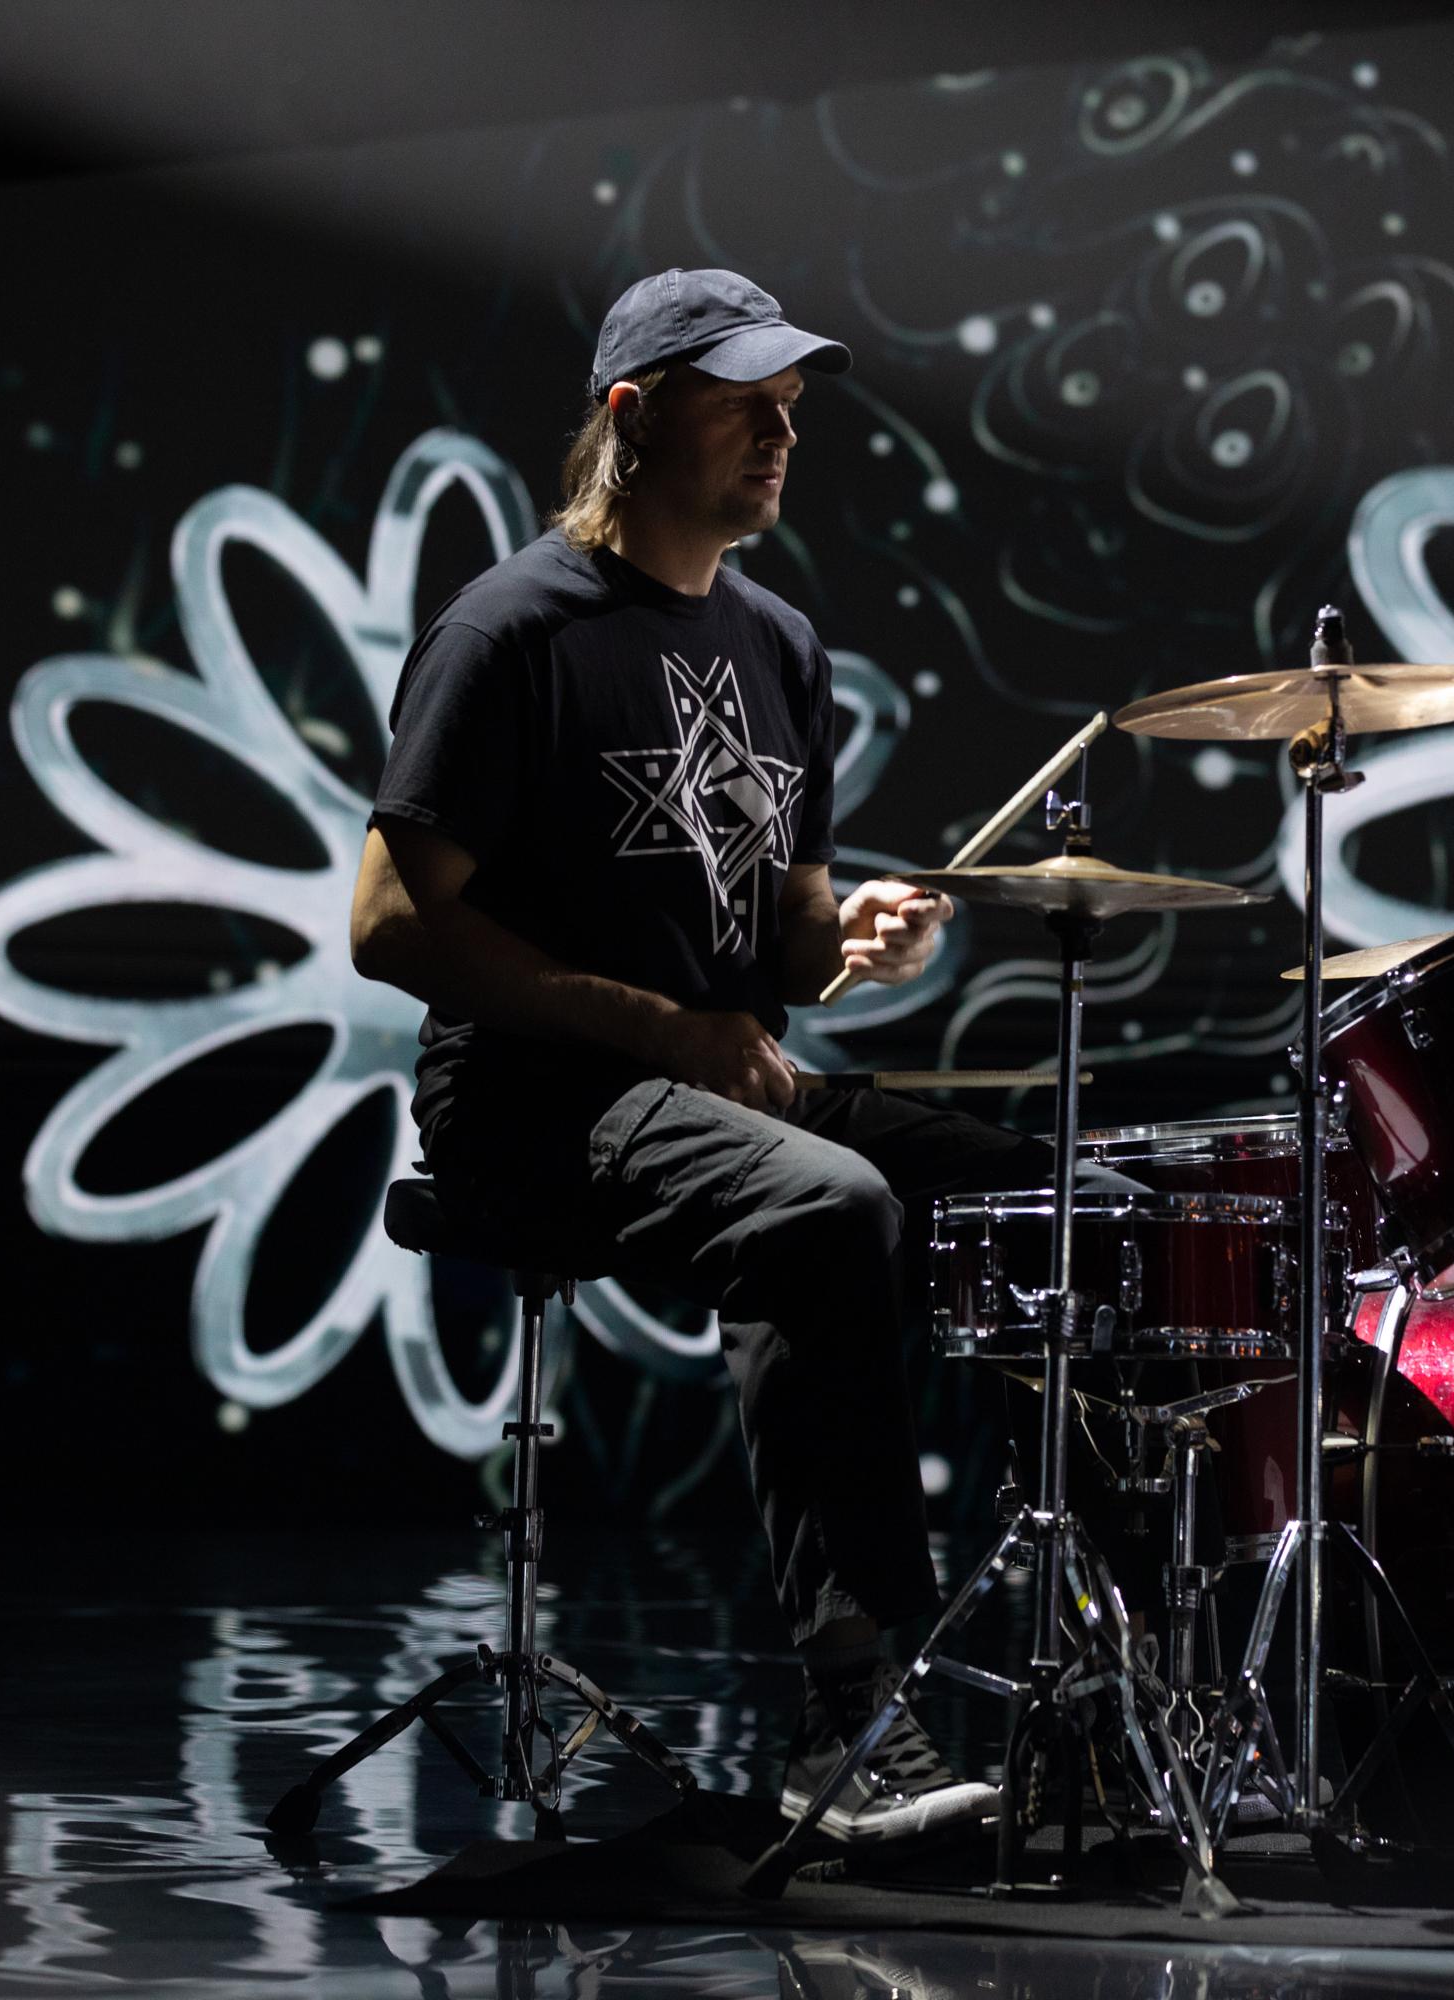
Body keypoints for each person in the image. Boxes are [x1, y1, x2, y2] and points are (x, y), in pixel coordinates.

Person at [349, 268, 1051, 1847]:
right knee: (825, 1207)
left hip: (721, 1083)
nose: (783, 433)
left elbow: (785, 937)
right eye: (746, 405)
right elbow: (391, 926)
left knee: (1050, 1205)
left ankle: (1087, 1690)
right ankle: (851, 1714)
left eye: (790, 408)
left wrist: (851, 937)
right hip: (531, 1100)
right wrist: (666, 1028)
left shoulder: (778, 643)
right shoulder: (509, 630)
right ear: (634, 413)